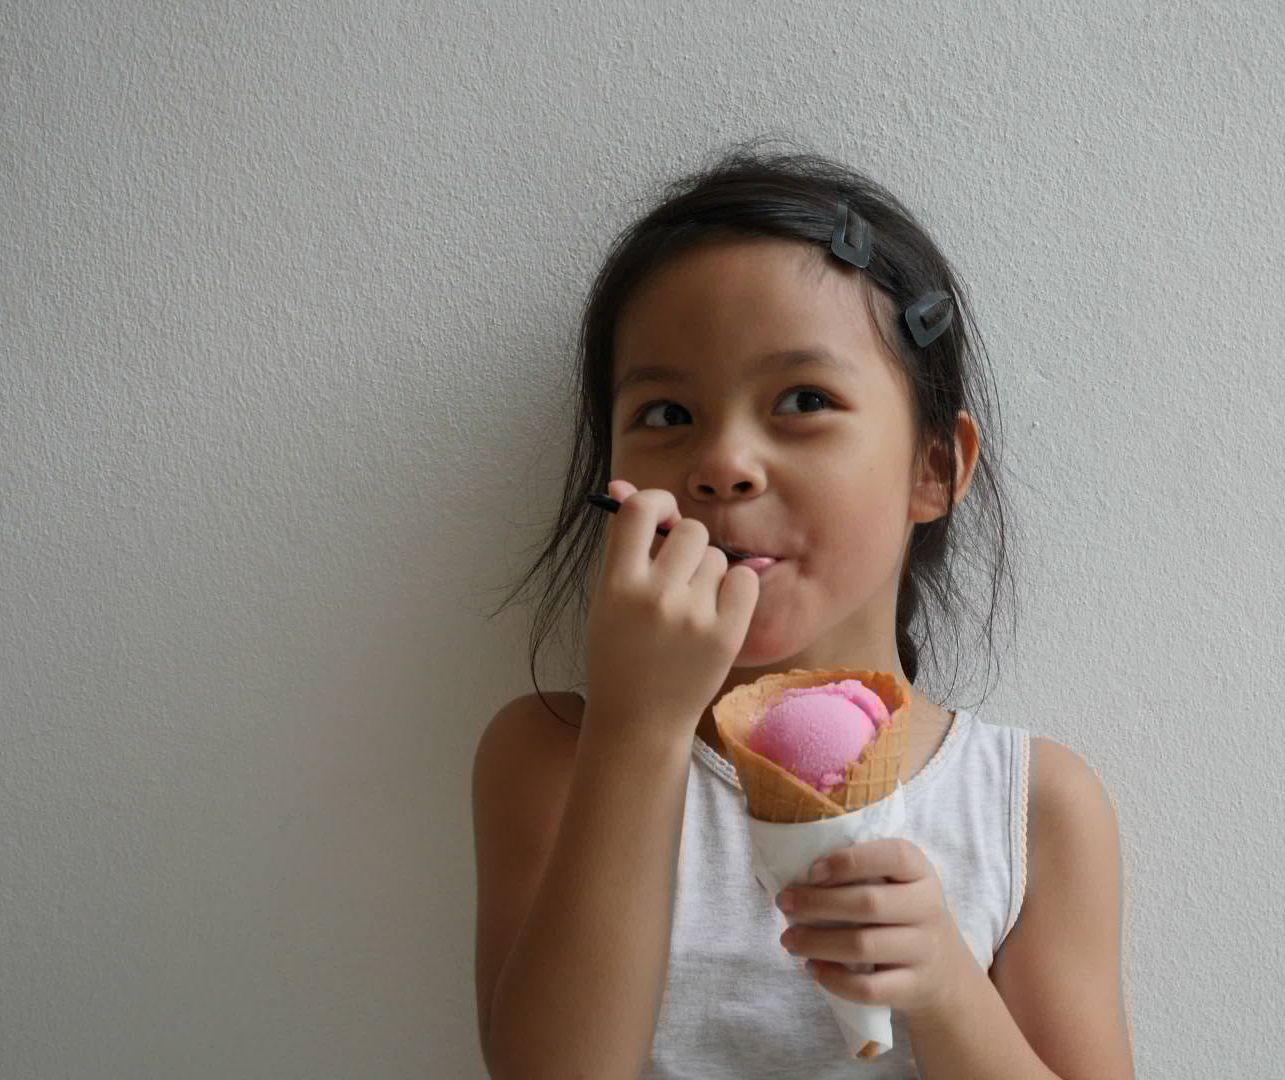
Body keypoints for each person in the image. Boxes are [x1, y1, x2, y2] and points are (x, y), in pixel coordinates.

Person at [472, 140, 1132, 1079]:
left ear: (934, 467)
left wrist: (946, 985)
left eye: (803, 399)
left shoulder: (1034, 807)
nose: (724, 463)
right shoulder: (553, 756)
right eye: (666, 415)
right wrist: (641, 723)